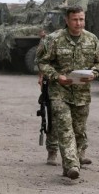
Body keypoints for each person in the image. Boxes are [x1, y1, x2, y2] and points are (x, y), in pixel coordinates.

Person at [38, 5, 99, 179]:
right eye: (75, 19)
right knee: (65, 128)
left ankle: (73, 159)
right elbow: (41, 62)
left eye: (81, 19)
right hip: (59, 92)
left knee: (79, 130)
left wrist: (95, 73)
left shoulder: (92, 40)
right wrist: (56, 76)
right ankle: (71, 165)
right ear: (67, 21)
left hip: (82, 94)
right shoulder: (54, 39)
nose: (79, 23)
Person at [35, 29, 59, 166]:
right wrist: (41, 77)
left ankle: (78, 152)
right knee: (52, 118)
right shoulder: (48, 39)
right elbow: (39, 60)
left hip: (72, 84)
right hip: (52, 82)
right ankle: (52, 152)